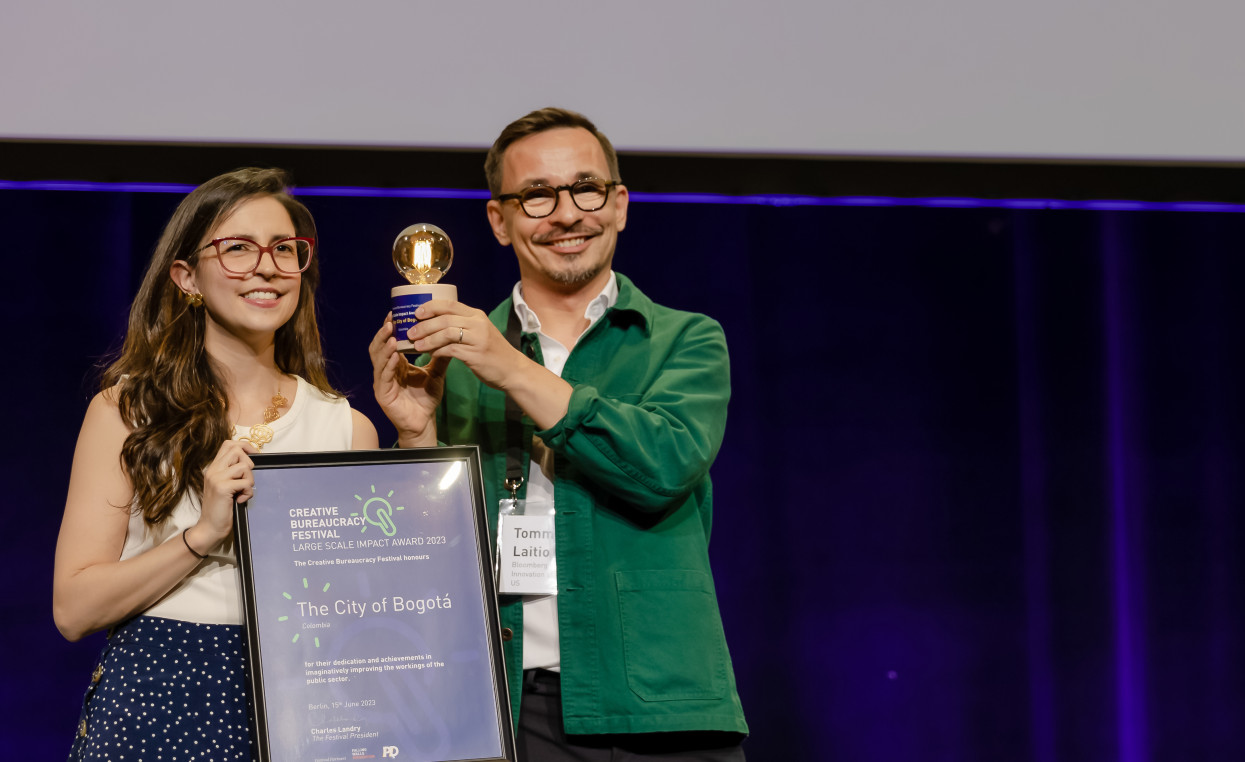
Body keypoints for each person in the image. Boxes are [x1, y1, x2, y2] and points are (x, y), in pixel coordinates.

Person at [369, 107, 747, 760]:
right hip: (508, 710)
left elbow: (663, 466)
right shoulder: (451, 361)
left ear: (619, 204)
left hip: (663, 706)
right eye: (538, 194)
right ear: (500, 219)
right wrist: (415, 437)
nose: (567, 213)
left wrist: (510, 366)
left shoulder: (687, 339)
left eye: (586, 188)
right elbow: (416, 566)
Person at [54, 168, 379, 760]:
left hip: (305, 697)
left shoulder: (345, 428)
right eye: (237, 249)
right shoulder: (126, 411)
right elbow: (74, 609)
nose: (266, 266)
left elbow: (369, 605)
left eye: (285, 249)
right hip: (157, 695)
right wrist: (200, 537)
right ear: (186, 277)